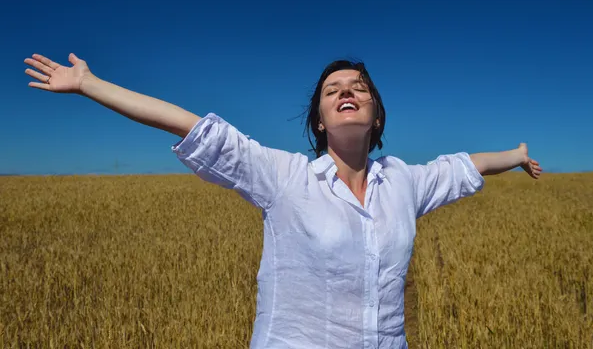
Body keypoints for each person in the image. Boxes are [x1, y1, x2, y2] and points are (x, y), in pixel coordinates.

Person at [24, 53, 542, 349]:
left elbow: (467, 166)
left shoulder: (405, 182)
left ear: (376, 115)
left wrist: (516, 154)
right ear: (319, 119)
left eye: (360, 87)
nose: (347, 91)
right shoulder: (286, 177)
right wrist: (89, 83)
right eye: (332, 88)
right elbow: (187, 123)